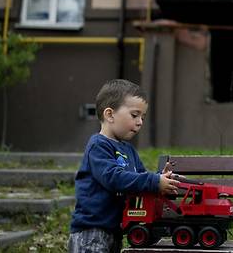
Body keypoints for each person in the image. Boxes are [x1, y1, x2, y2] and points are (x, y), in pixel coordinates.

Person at [68, 79, 180, 252]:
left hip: (115, 230)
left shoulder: (128, 150)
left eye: (142, 117)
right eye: (134, 115)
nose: (140, 122)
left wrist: (160, 179)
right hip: (91, 232)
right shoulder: (98, 145)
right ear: (110, 115)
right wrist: (154, 181)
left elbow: (139, 178)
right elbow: (114, 178)